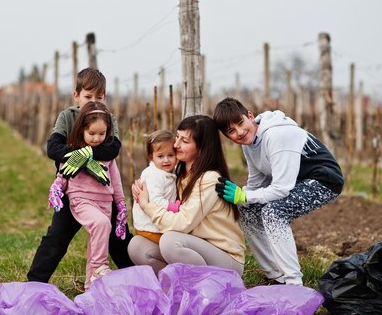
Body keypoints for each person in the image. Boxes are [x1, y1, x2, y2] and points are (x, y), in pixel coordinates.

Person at [213, 97, 344, 286]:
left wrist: (244, 195)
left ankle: (293, 283)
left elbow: (281, 189)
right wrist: (239, 199)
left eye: (241, 123)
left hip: (325, 180)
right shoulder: (249, 145)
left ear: (250, 116)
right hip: (297, 182)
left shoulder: (276, 135)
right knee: (246, 210)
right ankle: (276, 275)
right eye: (231, 131)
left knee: (274, 212)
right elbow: (256, 183)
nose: (239, 132)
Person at [26, 68, 133, 284]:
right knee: (56, 238)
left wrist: (80, 155)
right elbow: (53, 148)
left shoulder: (108, 119)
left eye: (99, 97)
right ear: (76, 96)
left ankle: (138, 280)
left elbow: (112, 150)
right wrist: (87, 155)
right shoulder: (67, 117)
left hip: (103, 193)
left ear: (105, 97)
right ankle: (34, 283)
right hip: (72, 191)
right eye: (88, 96)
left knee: (119, 240)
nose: (93, 101)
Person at [130, 115, 246, 276]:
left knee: (170, 242)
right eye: (177, 137)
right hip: (193, 248)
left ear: (201, 147)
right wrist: (144, 186)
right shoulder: (180, 175)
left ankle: (203, 289)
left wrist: (146, 205)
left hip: (224, 257)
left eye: (184, 141)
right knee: (137, 245)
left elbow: (182, 223)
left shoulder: (209, 179)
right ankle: (176, 286)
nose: (176, 144)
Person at [46, 101, 127, 290]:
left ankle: (91, 291)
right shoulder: (76, 152)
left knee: (96, 242)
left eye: (102, 134)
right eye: (91, 133)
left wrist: (121, 204)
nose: (97, 138)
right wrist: (58, 186)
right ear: (82, 130)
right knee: (101, 224)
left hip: (105, 203)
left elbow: (115, 181)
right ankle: (100, 266)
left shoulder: (107, 156)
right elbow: (64, 172)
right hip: (81, 199)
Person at [128, 130, 181, 273]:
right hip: (149, 228)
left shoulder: (169, 171)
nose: (166, 160)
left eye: (170, 155)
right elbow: (156, 200)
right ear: (151, 157)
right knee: (171, 247)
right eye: (160, 156)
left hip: (156, 224)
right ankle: (173, 271)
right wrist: (173, 206)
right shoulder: (153, 175)